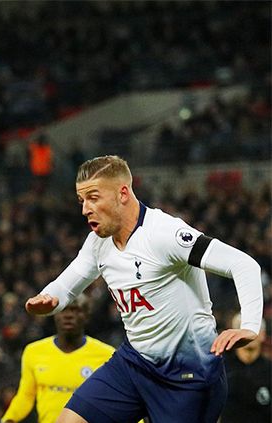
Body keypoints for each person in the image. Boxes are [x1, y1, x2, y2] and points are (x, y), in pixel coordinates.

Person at [25, 155, 263, 423]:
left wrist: (251, 325)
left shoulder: (165, 234)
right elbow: (66, 286)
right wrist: (49, 300)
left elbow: (243, 264)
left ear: (123, 193)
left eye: (94, 198)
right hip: (135, 363)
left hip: (188, 377)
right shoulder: (98, 243)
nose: (85, 210)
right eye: (82, 201)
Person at [1, 295, 115, 423]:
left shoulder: (107, 355)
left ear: (86, 316)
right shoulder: (34, 351)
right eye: (63, 310)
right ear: (54, 314)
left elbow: (119, 400)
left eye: (75, 310)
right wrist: (8, 420)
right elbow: (26, 396)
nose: (68, 315)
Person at [221, 313, 271, 423]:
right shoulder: (221, 368)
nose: (247, 336)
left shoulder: (269, 370)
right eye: (242, 330)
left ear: (262, 334)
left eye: (252, 330)